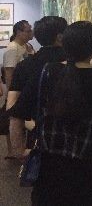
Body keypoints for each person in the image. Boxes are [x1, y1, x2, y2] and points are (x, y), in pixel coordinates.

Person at [10, 21, 92, 205]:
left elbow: (17, 113)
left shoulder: (46, 72)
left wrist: (18, 150)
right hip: (89, 168)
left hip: (49, 168)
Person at [7, 17, 67, 152]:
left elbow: (12, 107)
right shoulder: (70, 64)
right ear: (60, 37)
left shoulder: (25, 65)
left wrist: (20, 151)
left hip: (36, 132)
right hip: (70, 137)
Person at [2, 20, 33, 158]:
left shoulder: (27, 46)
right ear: (19, 32)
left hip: (25, 90)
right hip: (17, 92)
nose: (31, 33)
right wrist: (12, 95)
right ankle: (13, 151)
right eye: (28, 30)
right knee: (13, 120)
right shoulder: (12, 49)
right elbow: (9, 75)